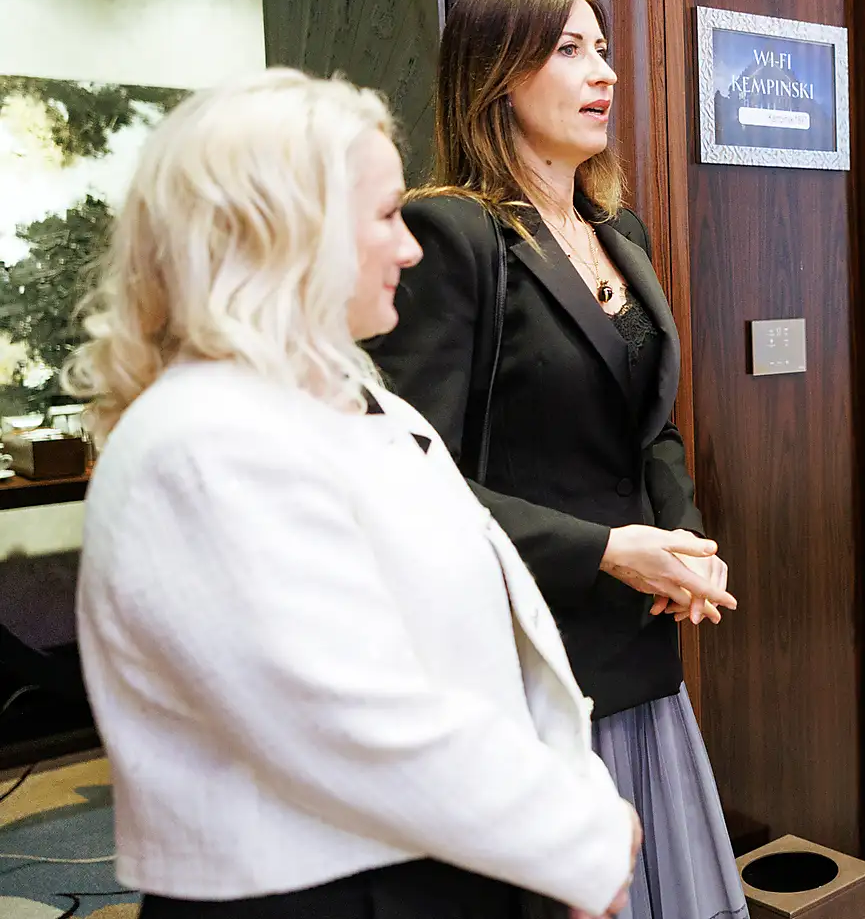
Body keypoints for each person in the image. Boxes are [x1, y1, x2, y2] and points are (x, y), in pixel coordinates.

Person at [66, 69, 639, 919]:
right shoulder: (201, 443)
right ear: (281, 231)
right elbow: (345, 719)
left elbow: (481, 643)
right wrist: (573, 834)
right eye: (384, 216)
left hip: (442, 863)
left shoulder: (364, 403)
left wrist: (572, 798)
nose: (411, 249)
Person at [364, 0, 747, 919]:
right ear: (498, 74)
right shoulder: (452, 232)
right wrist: (607, 550)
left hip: (638, 637)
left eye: (603, 49)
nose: (604, 73)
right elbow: (409, 475)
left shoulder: (620, 231)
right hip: (533, 645)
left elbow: (651, 424)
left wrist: (683, 541)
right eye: (570, 50)